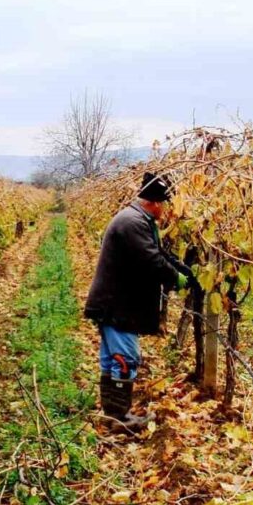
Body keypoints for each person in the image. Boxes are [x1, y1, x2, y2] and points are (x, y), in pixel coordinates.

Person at [84, 172, 194, 432]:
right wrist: (176, 280)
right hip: (117, 305)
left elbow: (159, 253)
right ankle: (119, 418)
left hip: (117, 302)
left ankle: (114, 415)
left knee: (114, 359)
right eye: (164, 204)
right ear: (154, 203)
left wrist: (184, 271)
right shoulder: (133, 222)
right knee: (125, 358)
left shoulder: (136, 219)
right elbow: (151, 260)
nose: (166, 209)